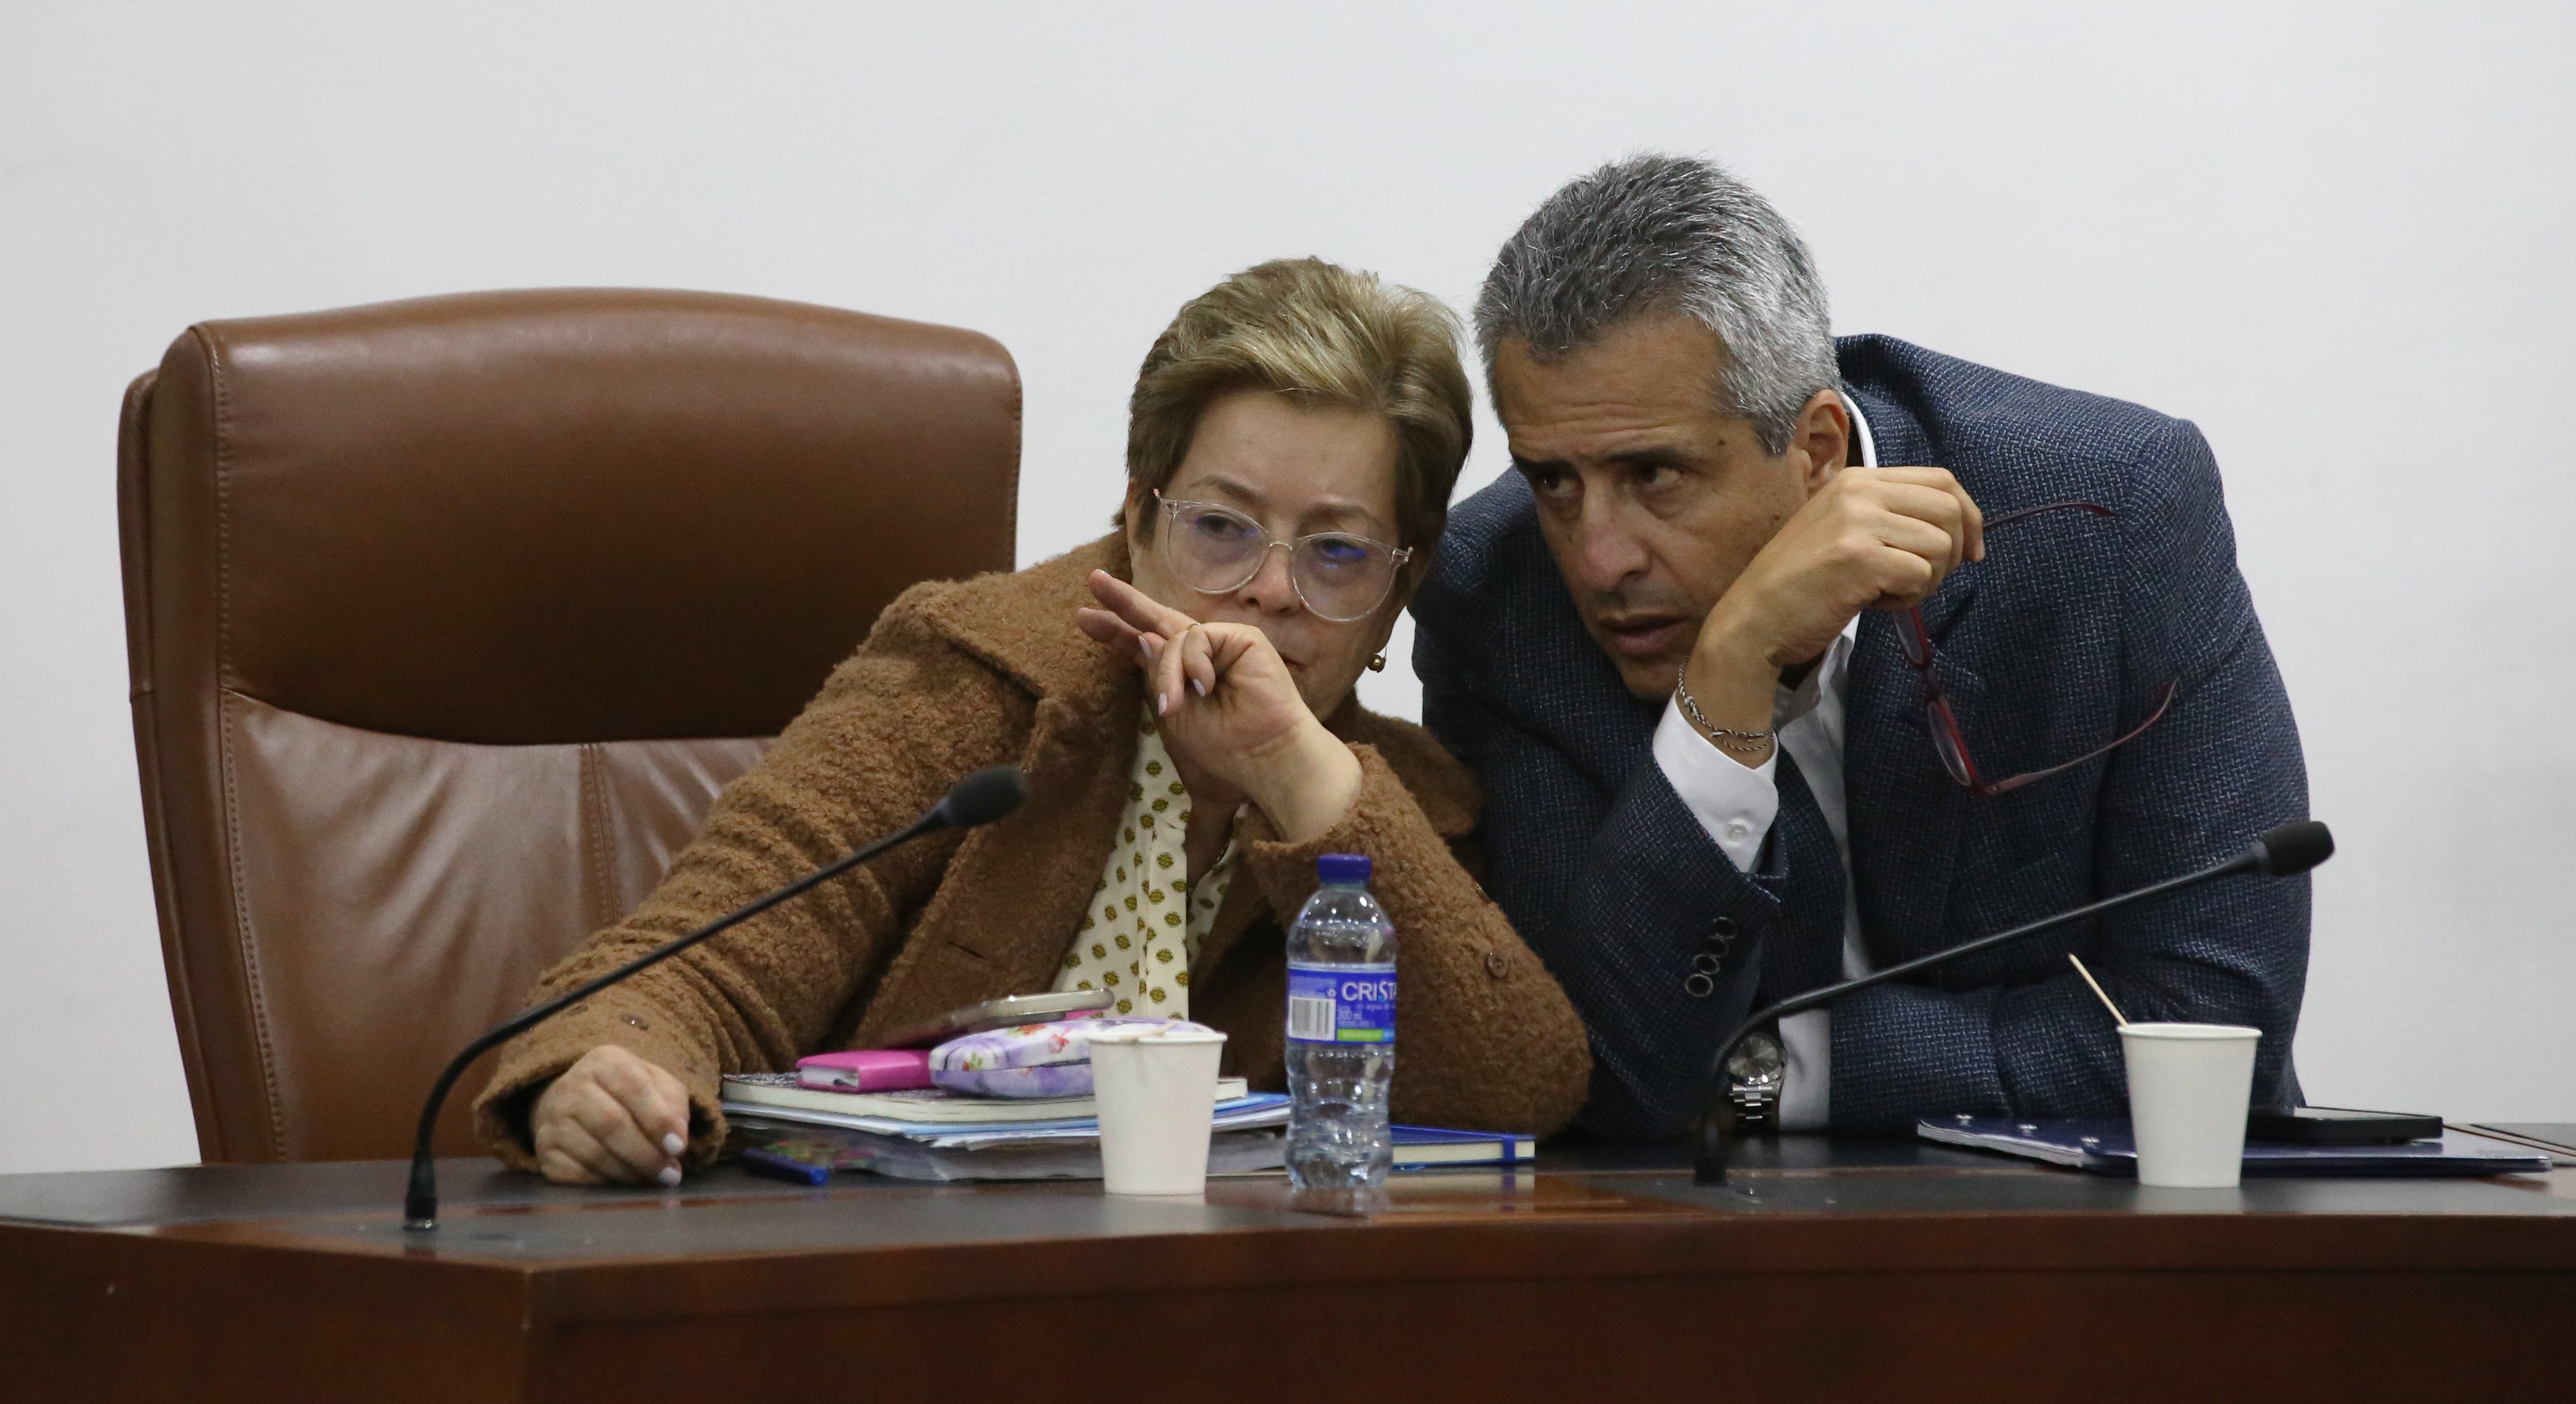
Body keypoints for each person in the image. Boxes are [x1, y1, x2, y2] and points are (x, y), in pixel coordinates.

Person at [478, 258, 1592, 1185]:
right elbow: (697, 963)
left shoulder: (1399, 811)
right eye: (1220, 526)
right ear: (1137, 509)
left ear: (1403, 585)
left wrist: (1297, 779)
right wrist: (612, 1072)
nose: (1266, 589)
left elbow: (1515, 1089)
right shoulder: (978, 681)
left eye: (1337, 550)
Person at [1412, 155, 2309, 1139]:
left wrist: (1770, 1068)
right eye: (1553, 482)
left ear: (1820, 451)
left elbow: (2218, 1036)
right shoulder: (1494, 594)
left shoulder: (2110, 515)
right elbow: (1598, 1071)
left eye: (1655, 475)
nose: (1598, 557)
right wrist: (1727, 678)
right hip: (1695, 1251)